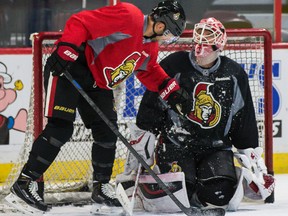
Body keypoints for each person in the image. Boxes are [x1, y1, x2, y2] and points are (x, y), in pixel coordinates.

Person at [6, 1, 193, 214]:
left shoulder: (149, 45)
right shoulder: (129, 16)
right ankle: (25, 182)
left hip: (98, 83)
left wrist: (171, 90)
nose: (168, 39)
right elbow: (81, 22)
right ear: (161, 26)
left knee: (107, 132)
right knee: (61, 128)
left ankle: (101, 187)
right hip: (72, 67)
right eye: (170, 34)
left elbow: (148, 70)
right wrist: (68, 48)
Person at [119, 17, 275, 213]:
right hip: (176, 145)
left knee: (220, 196)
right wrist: (142, 149)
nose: (200, 48)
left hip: (216, 147)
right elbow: (151, 106)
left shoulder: (234, 73)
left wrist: (255, 164)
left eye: (207, 42)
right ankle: (153, 188)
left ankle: (219, 182)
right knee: (179, 196)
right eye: (198, 41)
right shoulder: (174, 65)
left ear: (219, 45)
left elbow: (243, 119)